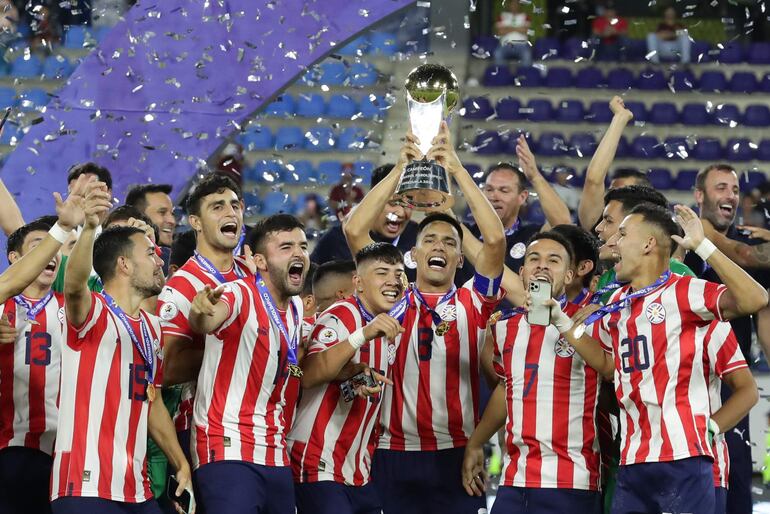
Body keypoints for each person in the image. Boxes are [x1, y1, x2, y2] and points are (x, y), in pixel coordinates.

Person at [553, 203, 763, 514]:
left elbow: (756, 299)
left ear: (649, 243)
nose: (614, 242)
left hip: (683, 457)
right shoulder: (617, 302)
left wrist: (703, 246)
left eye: (623, 234)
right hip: (633, 456)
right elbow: (608, 364)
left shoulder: (687, 292)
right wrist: (564, 324)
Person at [344, 123, 506, 514]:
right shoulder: (390, 295)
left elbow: (496, 241)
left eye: (449, 242)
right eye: (429, 240)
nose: (439, 246)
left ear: (460, 258)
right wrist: (400, 172)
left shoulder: (474, 301)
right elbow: (353, 228)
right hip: (389, 452)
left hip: (456, 453)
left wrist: (457, 170)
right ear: (412, 256)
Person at [52, 182, 192, 513]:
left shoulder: (153, 328)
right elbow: (73, 286)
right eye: (149, 253)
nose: (160, 259)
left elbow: (152, 399)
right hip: (85, 485)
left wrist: (179, 461)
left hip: (136, 488)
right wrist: (89, 227)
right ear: (124, 264)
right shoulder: (93, 311)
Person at [463, 232, 601, 513]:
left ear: (569, 275)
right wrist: (476, 442)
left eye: (554, 260)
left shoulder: (591, 321)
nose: (542, 266)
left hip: (572, 481)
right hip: (514, 479)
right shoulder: (503, 327)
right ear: (522, 272)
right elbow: (508, 388)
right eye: (534, 259)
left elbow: (609, 374)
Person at [187, 214, 310, 514]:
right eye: (286, 247)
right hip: (228, 445)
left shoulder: (295, 307)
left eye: (303, 246)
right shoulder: (239, 292)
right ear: (261, 261)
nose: (298, 254)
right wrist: (200, 311)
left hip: (275, 452)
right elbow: (207, 319)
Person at [289, 242, 405, 514]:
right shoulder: (341, 314)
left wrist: (356, 382)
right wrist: (361, 335)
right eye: (382, 272)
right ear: (359, 283)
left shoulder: (384, 326)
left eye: (398, 274)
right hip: (317, 463)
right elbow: (308, 374)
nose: (393, 281)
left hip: (356, 471)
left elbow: (339, 382)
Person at [156, 173, 253, 481]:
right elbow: (167, 370)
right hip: (202, 433)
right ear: (196, 222)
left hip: (259, 432)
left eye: (235, 205)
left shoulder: (254, 279)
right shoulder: (181, 287)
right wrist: (234, 348)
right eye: (217, 207)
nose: (230, 213)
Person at [683, 163, 767, 514]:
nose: (731, 195)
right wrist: (693, 239)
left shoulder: (747, 241)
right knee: (686, 475)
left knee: (734, 479)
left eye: (734, 189)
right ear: (699, 195)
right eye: (721, 188)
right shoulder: (677, 240)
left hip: (733, 380)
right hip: (681, 378)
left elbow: (752, 257)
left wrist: (708, 239)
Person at [0, 217, 72, 514]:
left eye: (55, 248)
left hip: (64, 451)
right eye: (39, 246)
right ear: (15, 259)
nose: (51, 254)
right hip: (9, 445)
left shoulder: (75, 307)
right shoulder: (2, 306)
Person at [455, 135, 571, 289]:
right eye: (489, 189)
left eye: (504, 190)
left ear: (522, 197)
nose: (494, 196)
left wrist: (534, 176)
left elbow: (563, 223)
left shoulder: (533, 238)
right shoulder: (463, 234)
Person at [312, 164, 418, 281]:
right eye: (392, 203)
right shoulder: (338, 238)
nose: (401, 213)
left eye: (408, 204)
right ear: (375, 200)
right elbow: (309, 283)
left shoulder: (419, 238)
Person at [578, 97, 637, 231]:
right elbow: (593, 180)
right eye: (611, 192)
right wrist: (619, 118)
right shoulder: (598, 227)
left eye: (624, 193)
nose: (614, 198)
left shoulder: (658, 230)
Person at [493, 0, 532, 66]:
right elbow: (500, 32)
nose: (514, 6)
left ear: (520, 5)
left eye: (516, 4)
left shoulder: (526, 16)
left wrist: (507, 28)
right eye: (512, 4)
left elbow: (525, 31)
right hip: (505, 45)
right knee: (497, 54)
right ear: (509, 5)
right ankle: (502, 75)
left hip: (522, 45)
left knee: (527, 55)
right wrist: (518, 28)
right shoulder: (501, 16)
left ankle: (523, 75)